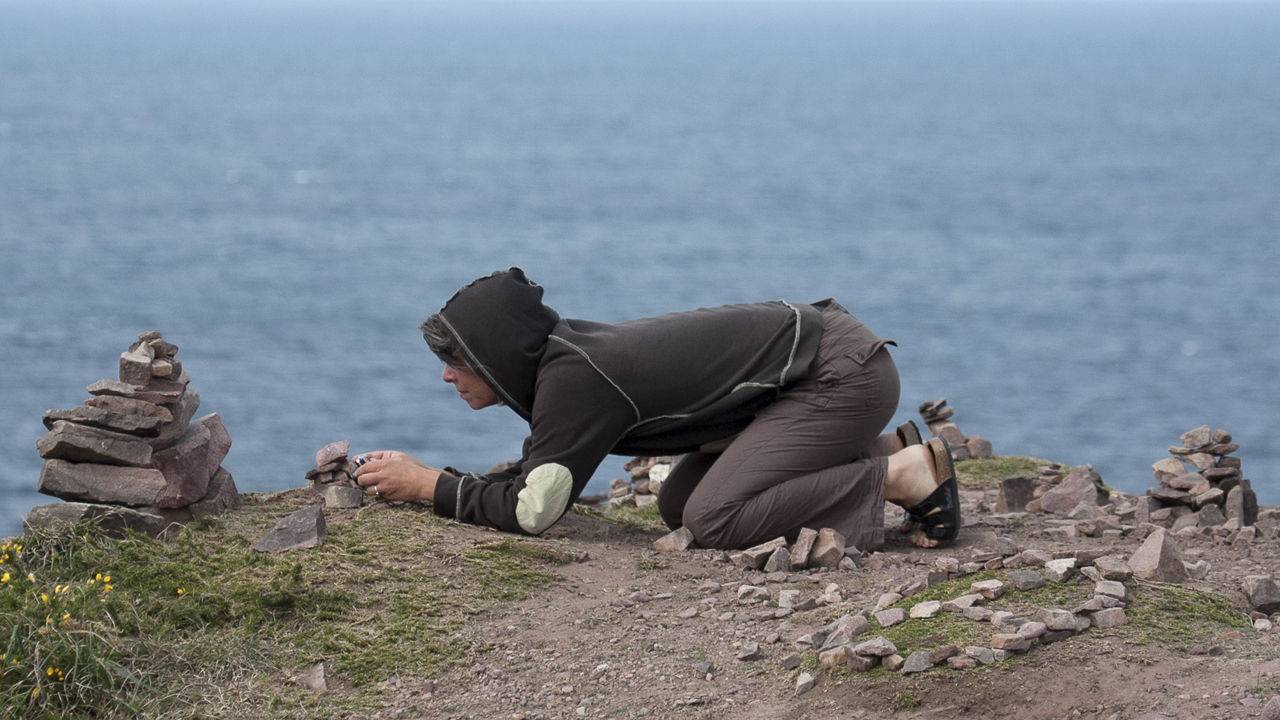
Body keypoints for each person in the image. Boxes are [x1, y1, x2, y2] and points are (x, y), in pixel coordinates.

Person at [353, 267, 959, 552]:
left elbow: (535, 509)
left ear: (495, 356)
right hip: (822, 368)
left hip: (838, 376)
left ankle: (899, 476)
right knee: (678, 506)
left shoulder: (575, 383)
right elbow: (539, 470)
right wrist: (439, 481)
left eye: (456, 360)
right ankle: (881, 448)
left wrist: (428, 486)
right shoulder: (563, 365)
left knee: (716, 519)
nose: (446, 374)